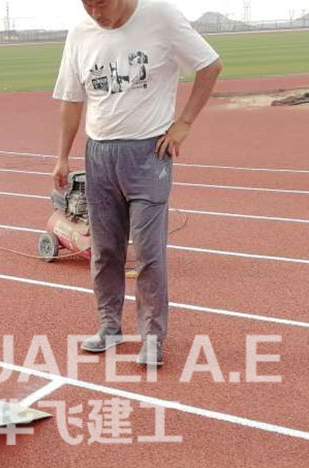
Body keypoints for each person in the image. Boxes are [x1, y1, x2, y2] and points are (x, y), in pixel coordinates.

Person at [52, 0, 222, 366]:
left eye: (101, 3)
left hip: (148, 154)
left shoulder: (161, 17)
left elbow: (210, 65)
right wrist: (63, 155)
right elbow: (71, 98)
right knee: (105, 250)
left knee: (147, 252)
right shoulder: (80, 32)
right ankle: (109, 325)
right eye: (86, 4)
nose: (94, 12)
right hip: (99, 154)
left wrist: (185, 123)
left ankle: (153, 337)